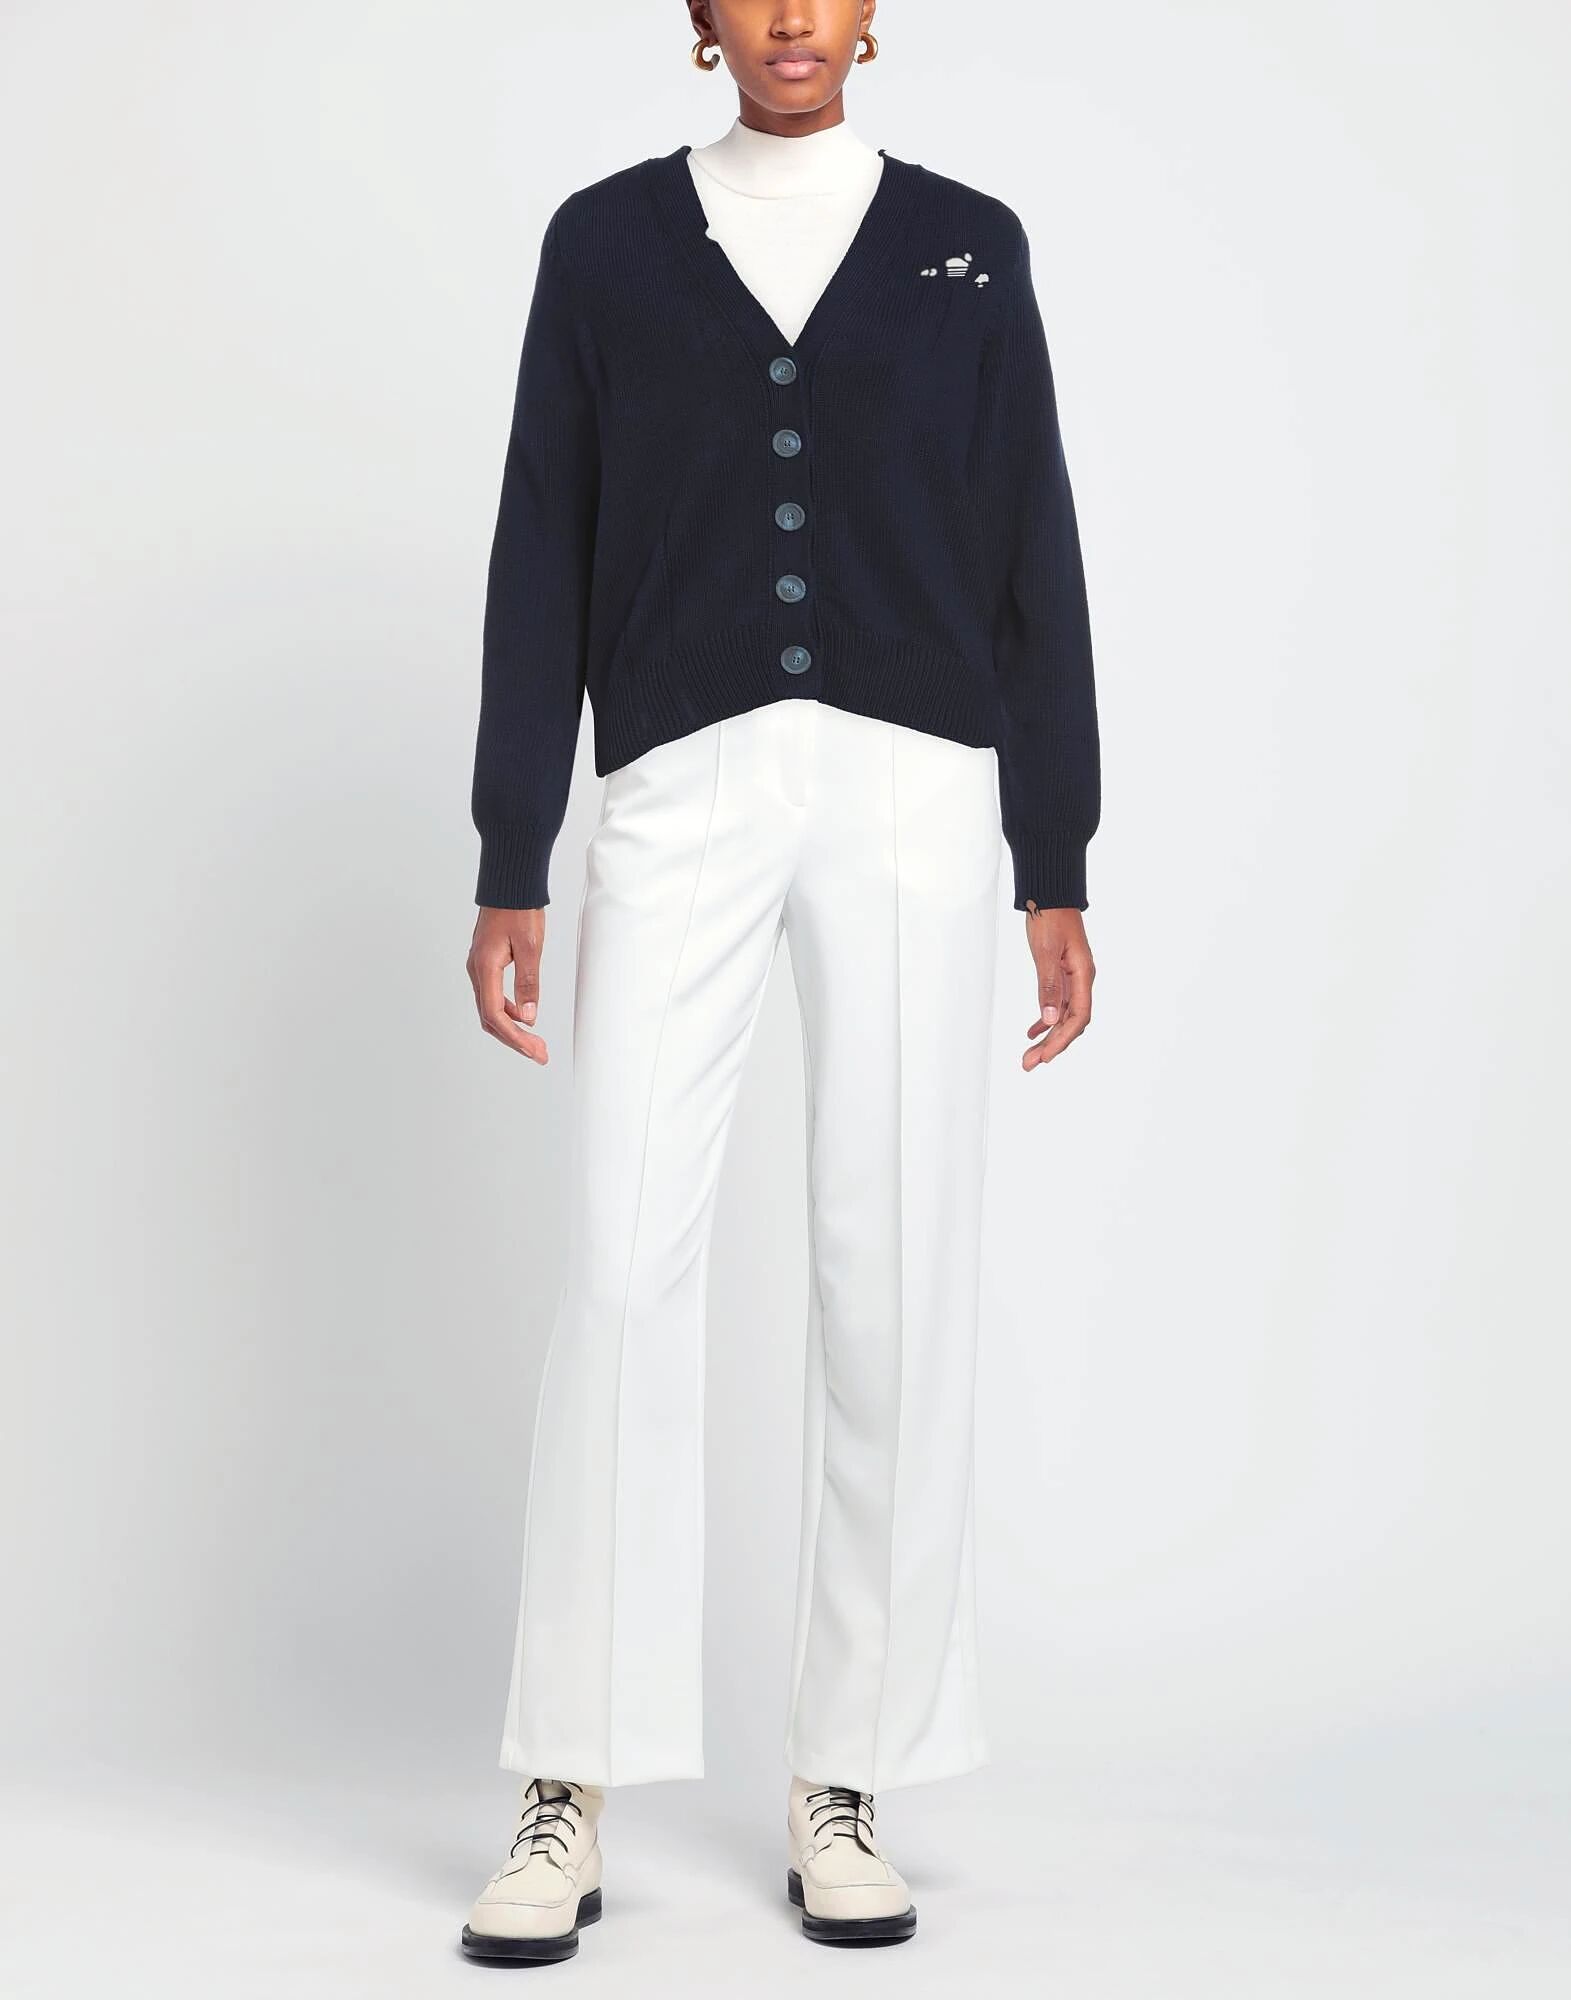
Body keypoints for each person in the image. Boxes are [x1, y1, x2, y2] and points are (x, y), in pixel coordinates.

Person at [459, 0, 1099, 1962]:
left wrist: (1053, 855)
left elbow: (1032, 539)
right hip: (683, 776)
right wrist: (512, 845)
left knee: (889, 1269)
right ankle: (568, 1773)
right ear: (700, 18)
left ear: (874, 12)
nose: (794, 15)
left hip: (915, 785)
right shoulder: (603, 242)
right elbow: (543, 536)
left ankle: (849, 1771)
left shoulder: (968, 242)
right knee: (622, 1263)